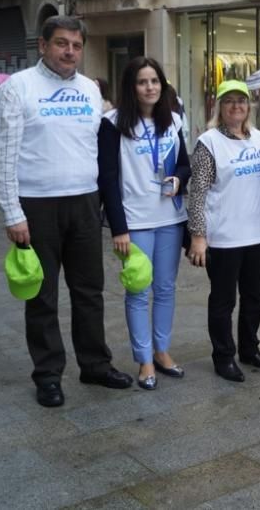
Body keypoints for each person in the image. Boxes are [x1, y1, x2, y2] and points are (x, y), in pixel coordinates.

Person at [0, 16, 132, 407]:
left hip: (84, 202)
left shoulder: (90, 91)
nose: (69, 52)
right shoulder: (17, 90)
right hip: (36, 207)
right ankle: (48, 374)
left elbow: (97, 150)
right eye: (61, 44)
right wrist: (12, 214)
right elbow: (1, 158)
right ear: (42, 46)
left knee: (89, 292)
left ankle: (95, 365)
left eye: (76, 45)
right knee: (42, 296)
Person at [98, 57, 191, 390]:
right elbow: (107, 179)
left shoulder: (174, 121)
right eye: (142, 82)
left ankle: (162, 351)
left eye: (155, 81)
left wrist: (179, 180)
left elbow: (184, 164)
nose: (150, 87)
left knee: (165, 289)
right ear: (131, 86)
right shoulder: (112, 123)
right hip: (135, 222)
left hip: (171, 218)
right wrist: (118, 228)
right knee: (138, 290)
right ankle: (145, 359)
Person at [187, 79, 260, 383]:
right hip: (223, 237)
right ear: (219, 107)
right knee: (223, 300)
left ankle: (250, 349)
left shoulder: (259, 138)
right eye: (229, 101)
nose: (236, 105)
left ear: (249, 106)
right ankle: (223, 355)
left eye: (241, 100)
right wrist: (198, 236)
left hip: (257, 235)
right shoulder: (209, 142)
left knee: (255, 297)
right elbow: (197, 191)